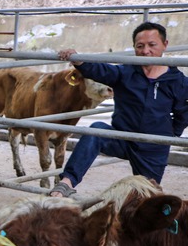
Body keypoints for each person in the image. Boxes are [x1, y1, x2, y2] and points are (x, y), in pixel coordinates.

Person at [49, 21, 188, 197]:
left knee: (146, 196)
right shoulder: (125, 73)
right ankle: (67, 182)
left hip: (153, 147)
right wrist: (79, 61)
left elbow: (184, 112)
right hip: (121, 138)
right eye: (140, 46)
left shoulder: (178, 82)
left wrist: (169, 133)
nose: (146, 51)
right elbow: (100, 70)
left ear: (164, 44)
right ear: (134, 47)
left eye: (152, 45)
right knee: (97, 130)